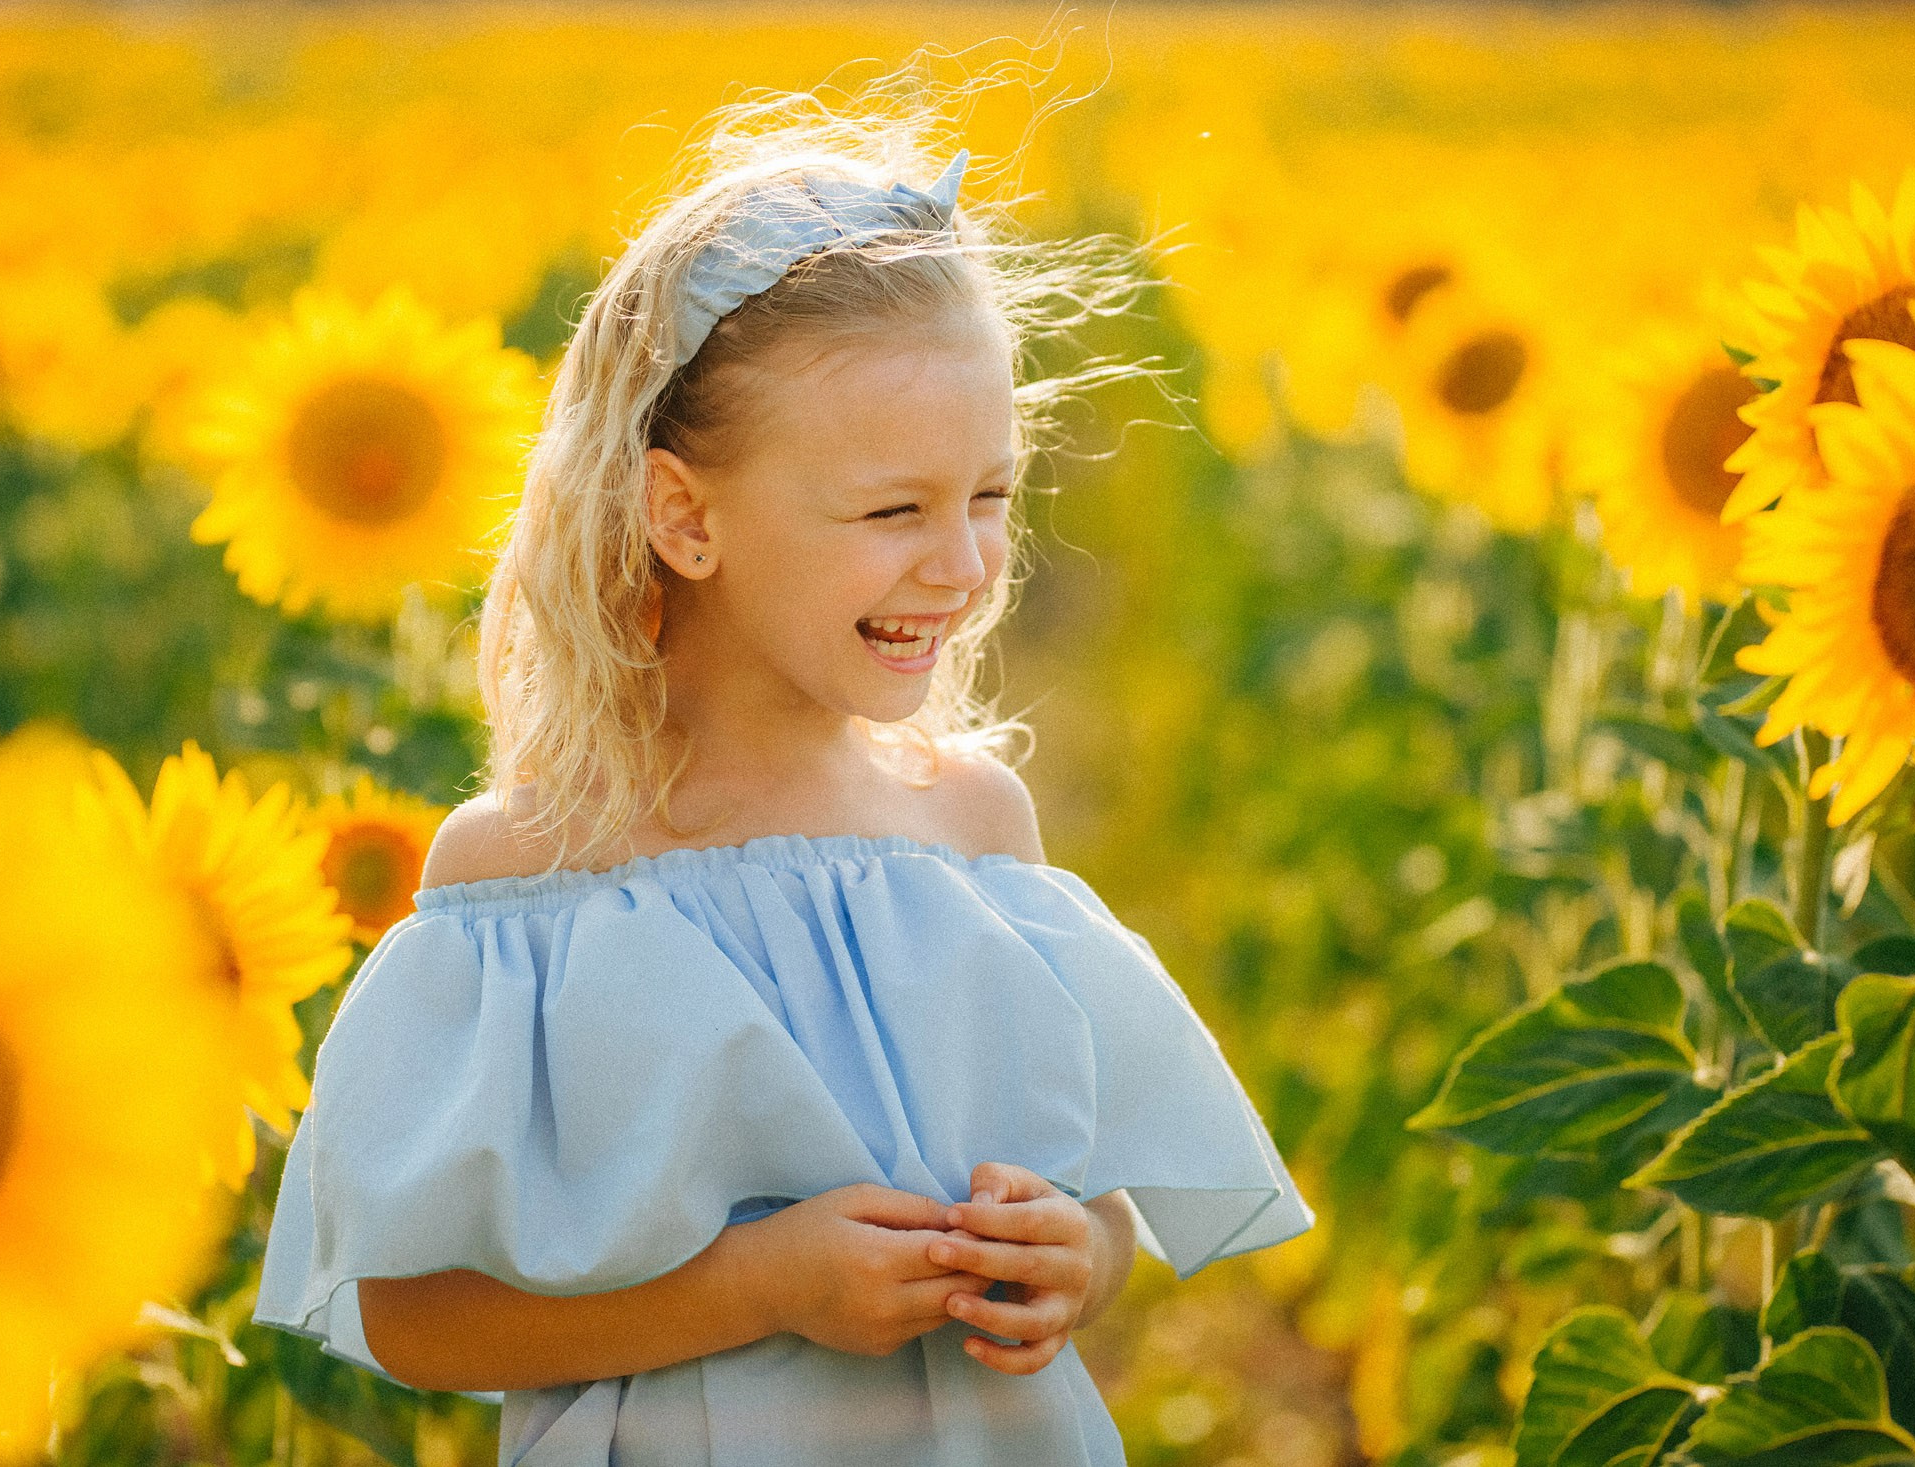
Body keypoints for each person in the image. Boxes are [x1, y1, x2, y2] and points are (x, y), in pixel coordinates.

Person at [252, 85, 1315, 1466]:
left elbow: (1093, 1189)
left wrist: (1078, 1258)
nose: (965, 565)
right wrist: (758, 1289)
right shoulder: (532, 877)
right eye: (895, 512)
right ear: (684, 515)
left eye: (989, 495)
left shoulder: (973, 828)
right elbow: (417, 1315)